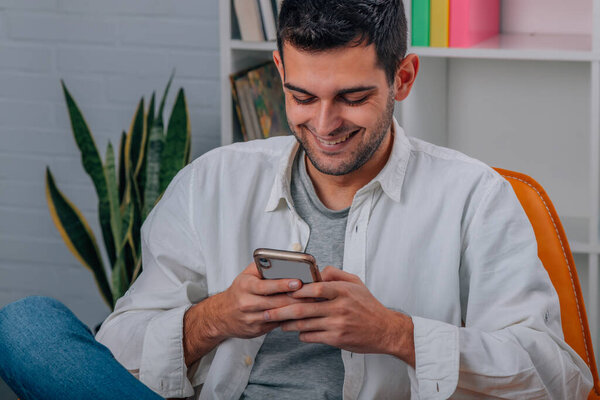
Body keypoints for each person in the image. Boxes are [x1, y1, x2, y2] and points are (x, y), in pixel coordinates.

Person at [0, 0, 593, 399]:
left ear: (403, 79)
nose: (324, 124)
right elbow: (116, 350)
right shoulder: (215, 180)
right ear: (279, 68)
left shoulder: (475, 197)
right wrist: (214, 318)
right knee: (26, 327)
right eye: (302, 96)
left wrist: (394, 333)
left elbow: (560, 375)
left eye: (353, 97)